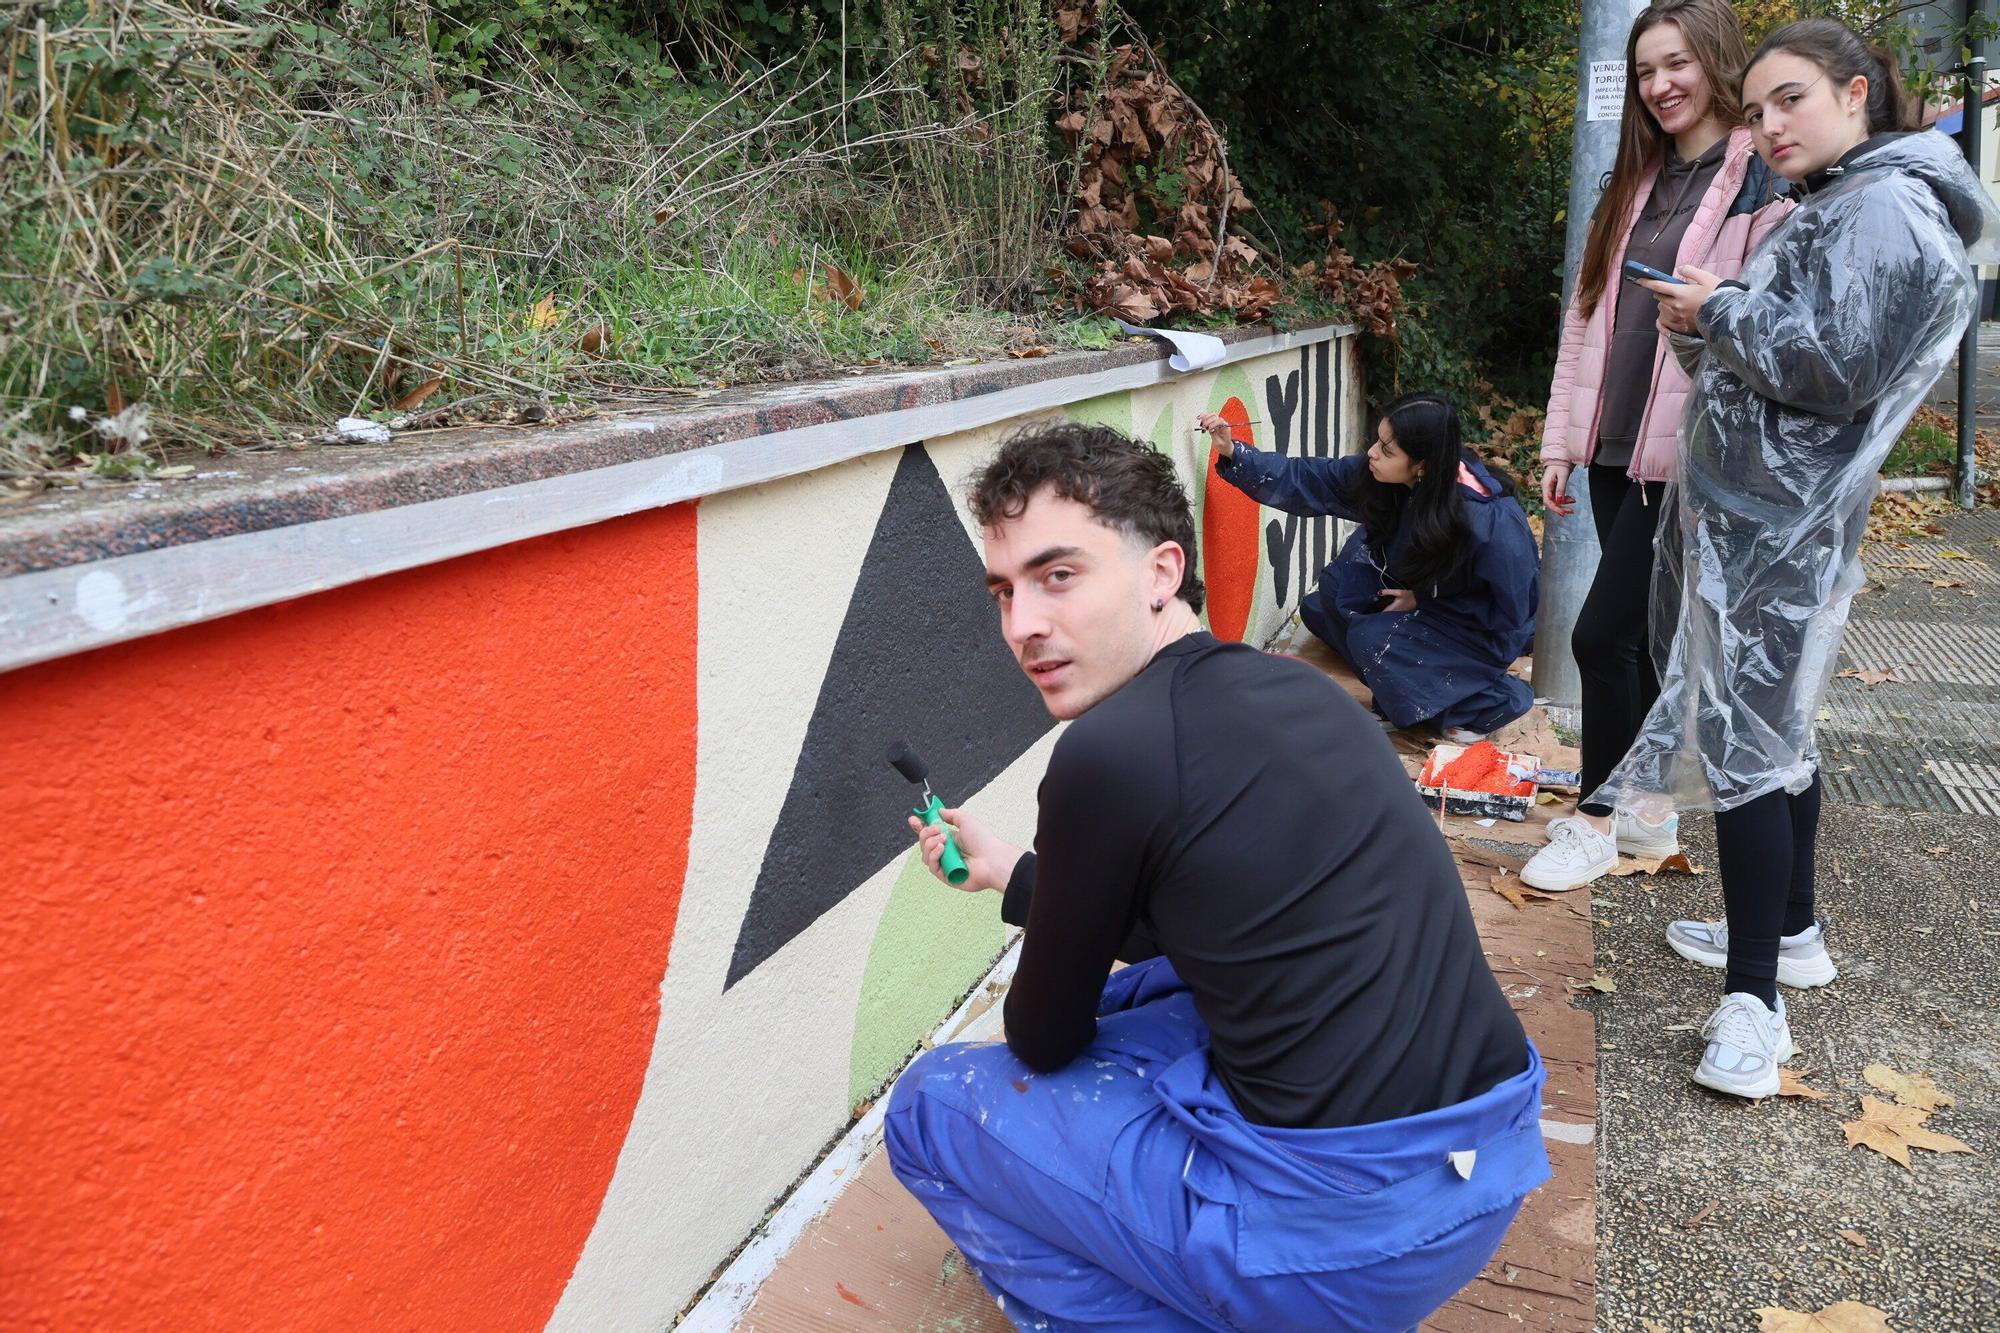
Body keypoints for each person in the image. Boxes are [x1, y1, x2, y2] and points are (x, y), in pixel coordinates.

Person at [883, 423, 1549, 1332]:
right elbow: (1199, 909)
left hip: (1345, 1239)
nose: (1022, 624)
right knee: (1149, 992)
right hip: (1488, 1168)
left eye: (1058, 575)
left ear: (1163, 571)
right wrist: (1017, 875)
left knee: (932, 1105)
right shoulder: (1297, 689)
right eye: (1004, 590)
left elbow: (1039, 1036)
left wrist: (1054, 912)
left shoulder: (1104, 753)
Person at [1589, 18, 1999, 1099]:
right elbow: (1798, 352)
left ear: (1856, 94)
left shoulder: (1874, 208)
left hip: (1776, 526)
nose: (1766, 124)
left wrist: (1716, 306)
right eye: (1758, 104)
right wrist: (1707, 322)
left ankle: (1753, 1006)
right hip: (1767, 520)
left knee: (1746, 756)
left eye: (1790, 100)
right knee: (1774, 736)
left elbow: (1830, 366)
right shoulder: (1851, 199)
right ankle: (1793, 929)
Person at [1523, 0, 1793, 894]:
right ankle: (1646, 810)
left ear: (1714, 61)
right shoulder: (1636, 177)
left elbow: (1768, 325)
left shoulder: (1763, 178)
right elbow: (1587, 312)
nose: (1660, 85)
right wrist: (1563, 438)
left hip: (1686, 453)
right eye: (1644, 71)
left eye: (1675, 63)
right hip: (1611, 443)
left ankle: (1597, 817)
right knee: (1638, 634)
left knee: (1600, 635)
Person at [1197, 394, 1539, 742]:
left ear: (1423, 464)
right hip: (1427, 600)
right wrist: (1234, 452)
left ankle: (1488, 700)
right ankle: (1407, 678)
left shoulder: (1488, 521)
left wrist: (1424, 600)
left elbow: (1513, 612)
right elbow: (1313, 478)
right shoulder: (1387, 477)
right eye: (1378, 441)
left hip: (1477, 631)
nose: (1373, 453)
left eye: (1387, 450)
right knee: (1326, 599)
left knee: (1369, 638)